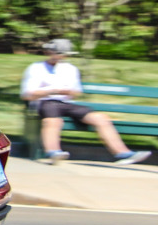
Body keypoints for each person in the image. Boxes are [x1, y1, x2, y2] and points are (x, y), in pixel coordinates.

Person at [20, 38, 151, 165]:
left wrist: (69, 92)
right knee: (54, 120)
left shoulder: (70, 69)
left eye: (64, 55)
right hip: (45, 101)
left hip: (64, 103)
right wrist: (52, 90)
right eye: (58, 54)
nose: (61, 57)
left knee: (100, 118)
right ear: (49, 52)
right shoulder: (36, 68)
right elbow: (28, 94)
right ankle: (53, 152)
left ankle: (123, 153)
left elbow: (76, 91)